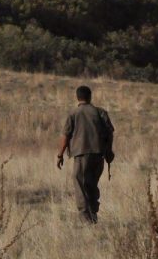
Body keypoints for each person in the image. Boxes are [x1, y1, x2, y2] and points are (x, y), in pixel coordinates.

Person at [56, 85, 115, 224]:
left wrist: (60, 155)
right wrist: (109, 151)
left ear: (77, 97)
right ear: (90, 97)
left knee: (80, 184)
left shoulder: (74, 114)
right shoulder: (100, 112)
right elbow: (110, 132)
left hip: (82, 155)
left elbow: (65, 137)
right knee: (92, 184)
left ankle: (85, 218)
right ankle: (93, 213)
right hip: (99, 155)